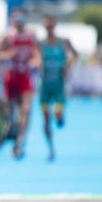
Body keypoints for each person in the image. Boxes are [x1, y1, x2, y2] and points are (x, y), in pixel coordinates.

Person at [0, 7, 41, 160]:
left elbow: (38, 54)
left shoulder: (31, 36)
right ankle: (13, 129)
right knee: (9, 110)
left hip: (25, 76)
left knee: (26, 110)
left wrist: (36, 62)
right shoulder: (7, 37)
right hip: (10, 77)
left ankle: (21, 140)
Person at [38, 14, 78, 161]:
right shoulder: (40, 44)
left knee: (57, 114)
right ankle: (50, 148)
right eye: (46, 26)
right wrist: (38, 63)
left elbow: (75, 54)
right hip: (45, 88)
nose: (49, 28)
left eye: (51, 25)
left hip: (58, 86)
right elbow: (36, 57)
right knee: (46, 120)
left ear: (54, 25)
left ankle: (61, 117)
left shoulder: (64, 42)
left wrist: (68, 67)